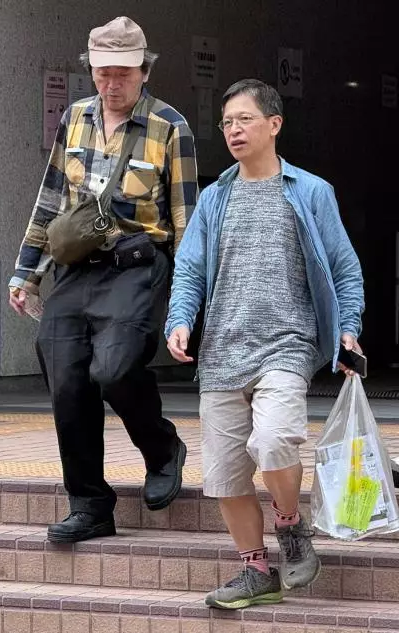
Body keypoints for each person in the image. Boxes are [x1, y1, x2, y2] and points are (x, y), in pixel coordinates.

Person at [165, 78, 364, 609]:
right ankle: (256, 571)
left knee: (275, 441)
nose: (234, 130)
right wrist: (180, 320)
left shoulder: (311, 192)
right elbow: (189, 269)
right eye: (227, 122)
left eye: (245, 119)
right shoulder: (214, 198)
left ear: (274, 124)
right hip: (221, 352)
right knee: (226, 474)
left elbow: (344, 269)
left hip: (287, 344)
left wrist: (347, 328)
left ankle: (291, 525)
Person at [8, 16, 198, 543]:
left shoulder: (170, 126)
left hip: (137, 267)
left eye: (124, 73)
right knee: (66, 377)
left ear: (144, 71)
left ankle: (162, 449)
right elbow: (50, 201)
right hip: (75, 269)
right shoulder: (74, 118)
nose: (112, 83)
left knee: (113, 369)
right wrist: (27, 273)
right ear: (90, 70)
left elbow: (186, 218)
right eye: (103, 72)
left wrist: (188, 298)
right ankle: (90, 505)